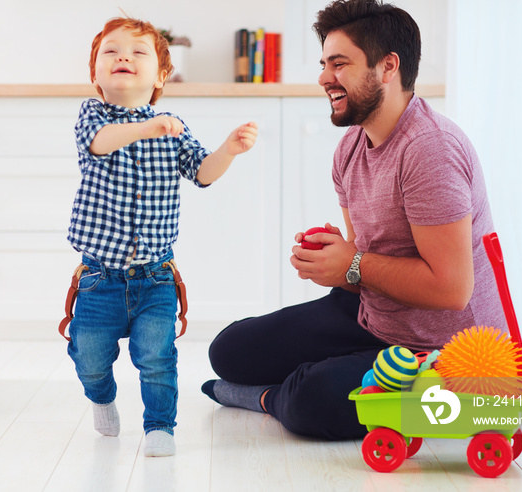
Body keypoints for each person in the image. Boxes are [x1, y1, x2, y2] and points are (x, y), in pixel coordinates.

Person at [202, 0, 506, 440]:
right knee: (229, 350)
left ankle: (270, 397)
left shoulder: (430, 151)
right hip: (375, 318)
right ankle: (303, 383)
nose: (325, 77)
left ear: (387, 67)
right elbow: (363, 267)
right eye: (325, 63)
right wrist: (334, 260)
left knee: (312, 399)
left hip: (440, 347)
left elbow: (452, 289)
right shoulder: (349, 149)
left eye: (339, 63)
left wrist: (353, 263)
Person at [65, 16, 258, 456]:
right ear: (95, 71)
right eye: (111, 52)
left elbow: (202, 173)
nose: (123, 58)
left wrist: (227, 150)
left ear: (160, 75)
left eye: (137, 53)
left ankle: (160, 427)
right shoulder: (92, 115)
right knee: (89, 358)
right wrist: (146, 128)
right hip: (98, 278)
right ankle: (100, 397)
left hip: (155, 278)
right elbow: (101, 142)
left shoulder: (173, 126)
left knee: (157, 358)